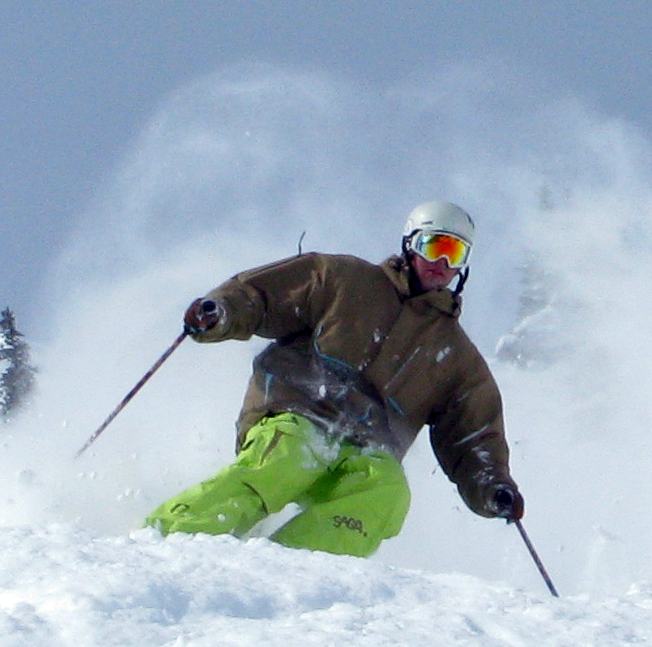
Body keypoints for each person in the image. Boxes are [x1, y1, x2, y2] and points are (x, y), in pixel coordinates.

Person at [145, 201, 524, 557]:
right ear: (411, 244)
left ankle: (290, 565)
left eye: (455, 253)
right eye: (434, 245)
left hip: (368, 445)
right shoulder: (346, 281)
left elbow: (474, 433)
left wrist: (492, 485)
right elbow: (266, 293)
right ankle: (174, 535)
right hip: (297, 409)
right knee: (289, 459)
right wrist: (222, 311)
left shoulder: (455, 356)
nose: (442, 262)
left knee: (387, 493)